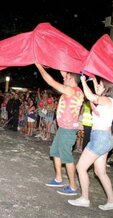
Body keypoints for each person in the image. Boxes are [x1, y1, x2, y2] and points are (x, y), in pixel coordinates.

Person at [68, 76, 113, 211]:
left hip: (100, 138)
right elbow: (96, 93)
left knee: (80, 167)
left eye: (100, 85)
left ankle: (84, 198)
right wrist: (93, 79)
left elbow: (92, 96)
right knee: (100, 172)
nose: (97, 87)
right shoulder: (109, 101)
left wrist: (84, 80)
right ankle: (112, 201)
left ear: (107, 89)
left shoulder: (106, 100)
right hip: (105, 139)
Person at [35, 63, 84, 195]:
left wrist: (38, 65)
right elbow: (65, 73)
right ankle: (58, 178)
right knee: (55, 152)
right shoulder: (76, 89)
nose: (63, 79)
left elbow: (50, 81)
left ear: (71, 79)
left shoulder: (71, 90)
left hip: (68, 131)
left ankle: (73, 187)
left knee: (67, 157)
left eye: (66, 78)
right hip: (63, 129)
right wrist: (60, 61)